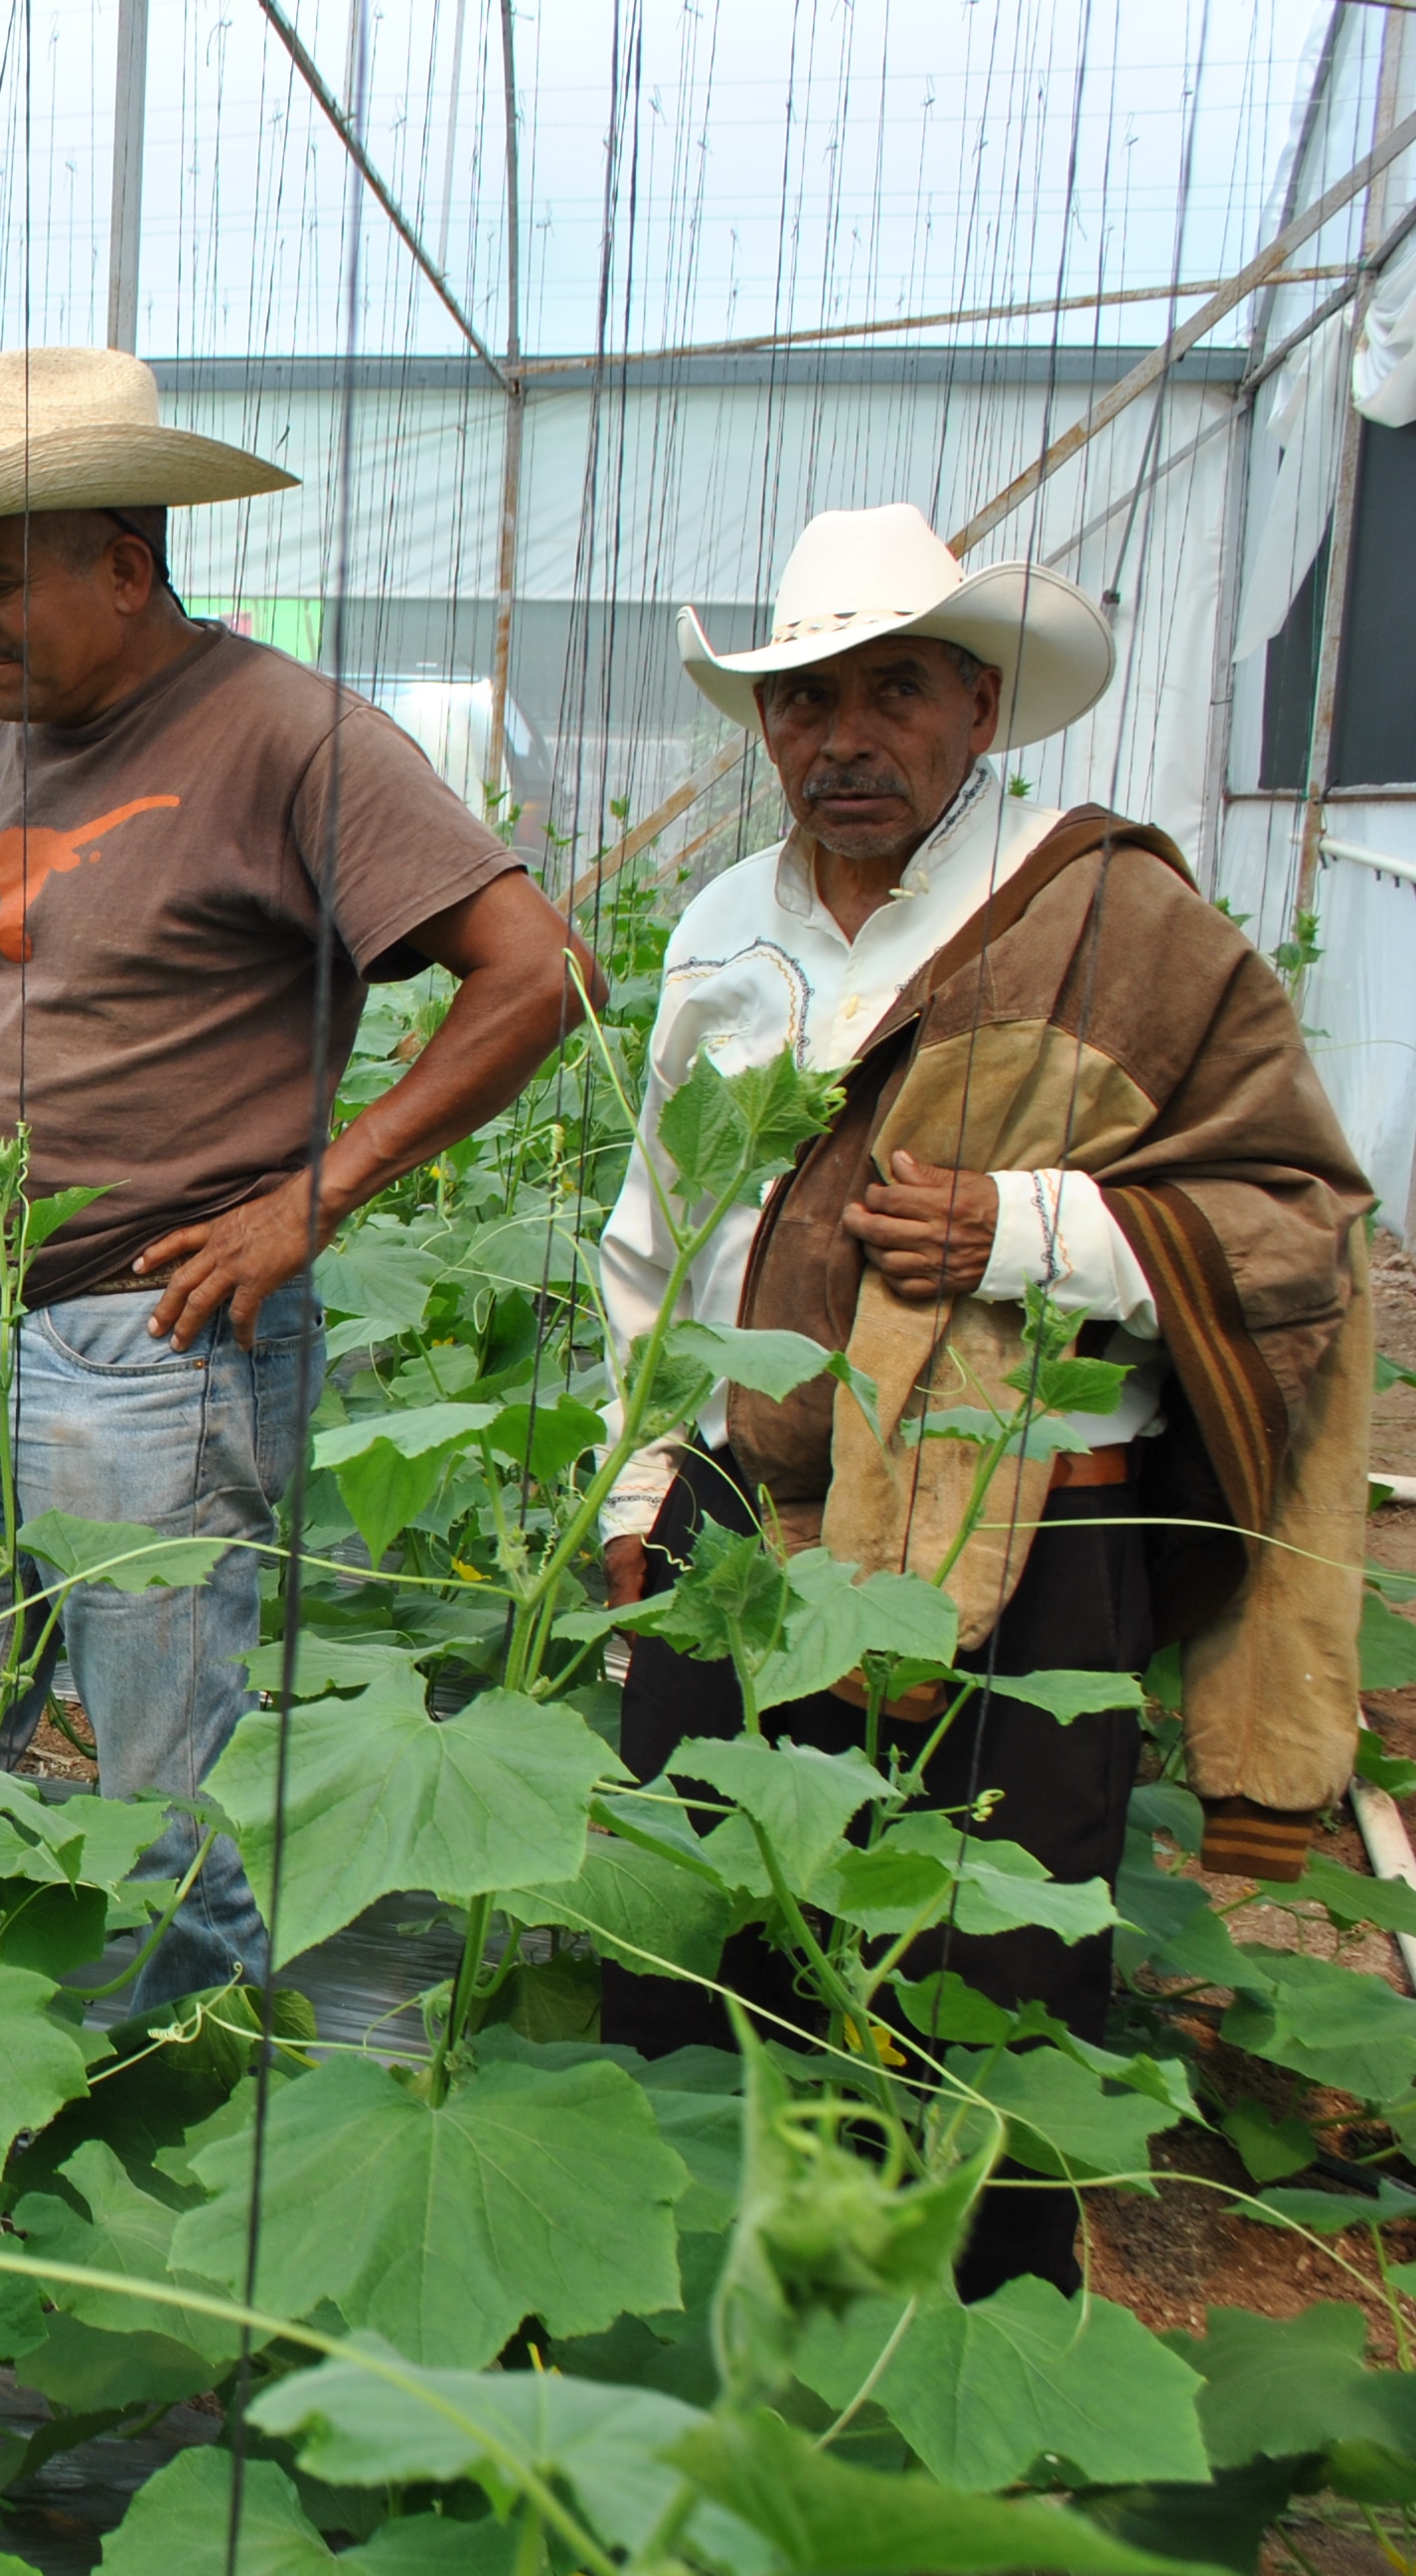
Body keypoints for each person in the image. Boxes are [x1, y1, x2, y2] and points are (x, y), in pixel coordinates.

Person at [594, 502, 1376, 2293]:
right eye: (802, 701)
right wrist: (643, 1488)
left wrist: (1029, 1227)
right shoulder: (722, 928)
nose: (840, 738)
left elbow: (1297, 1226)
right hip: (742, 1527)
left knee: (989, 1995)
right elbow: (657, 1241)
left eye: (892, 692)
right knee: (701, 1954)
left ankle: (958, 2379)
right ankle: (714, 2371)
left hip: (1027, 1543)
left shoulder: (1122, 920)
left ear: (977, 704)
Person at [0, 347, 599, 2007]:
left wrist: (312, 1200)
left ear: (125, 559)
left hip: (154, 1358)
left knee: (166, 1794)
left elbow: (535, 970)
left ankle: (182, 2084)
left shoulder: (283, 734)